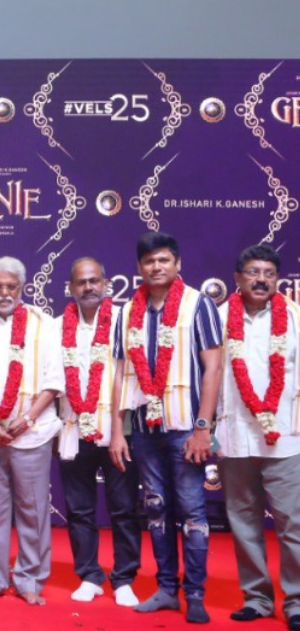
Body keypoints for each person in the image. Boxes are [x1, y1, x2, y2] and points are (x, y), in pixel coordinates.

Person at [111, 231, 221, 625]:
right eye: (149, 261)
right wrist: (117, 430)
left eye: (163, 260)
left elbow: (213, 367)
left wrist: (203, 427)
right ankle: (166, 590)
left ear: (177, 264)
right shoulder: (128, 311)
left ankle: (195, 594)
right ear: (139, 267)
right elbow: (120, 373)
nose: (156, 267)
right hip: (145, 430)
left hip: (186, 430)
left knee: (192, 512)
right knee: (156, 510)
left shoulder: (198, 304)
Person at [215, 245, 300, 629]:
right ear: (238, 277)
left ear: (277, 279)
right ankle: (257, 598)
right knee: (243, 521)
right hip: (235, 438)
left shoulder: (296, 318)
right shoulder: (218, 318)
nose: (261, 279)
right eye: (253, 272)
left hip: (287, 438)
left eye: (269, 273)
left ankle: (296, 601)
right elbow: (208, 375)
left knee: (293, 524)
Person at [0, 256, 62, 605]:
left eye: (11, 286)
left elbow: (55, 380)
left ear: (22, 287)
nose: (4, 293)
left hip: (32, 433)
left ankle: (29, 580)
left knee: (32, 508)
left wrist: (27, 419)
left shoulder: (45, 325)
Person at [55, 258, 140, 607]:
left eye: (94, 280)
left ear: (105, 283)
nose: (88, 287)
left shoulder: (125, 321)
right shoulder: (57, 327)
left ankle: (124, 579)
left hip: (119, 430)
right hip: (73, 429)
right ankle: (89, 575)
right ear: (71, 288)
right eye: (81, 282)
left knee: (123, 508)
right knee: (79, 509)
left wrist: (121, 429)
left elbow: (134, 376)